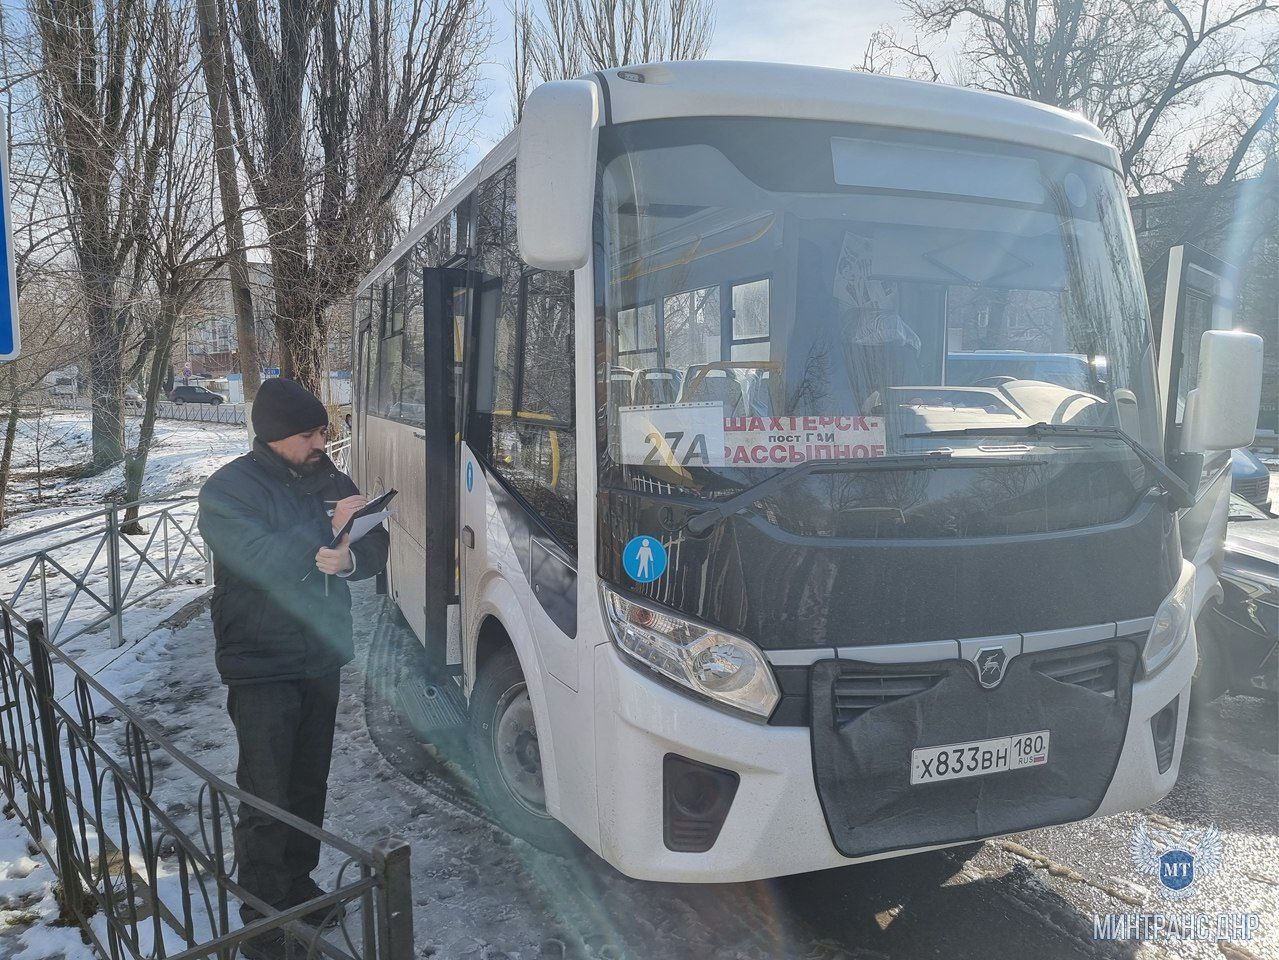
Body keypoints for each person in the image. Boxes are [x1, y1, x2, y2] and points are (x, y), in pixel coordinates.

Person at [198, 378, 389, 954]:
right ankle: (262, 920)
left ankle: (299, 892)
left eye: (323, 430)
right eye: (309, 433)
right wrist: (323, 535)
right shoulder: (228, 489)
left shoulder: (330, 476)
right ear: (277, 436)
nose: (321, 441)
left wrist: (350, 556)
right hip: (261, 662)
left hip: (319, 654)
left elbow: (373, 544)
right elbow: (256, 560)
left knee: (308, 783)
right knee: (266, 792)